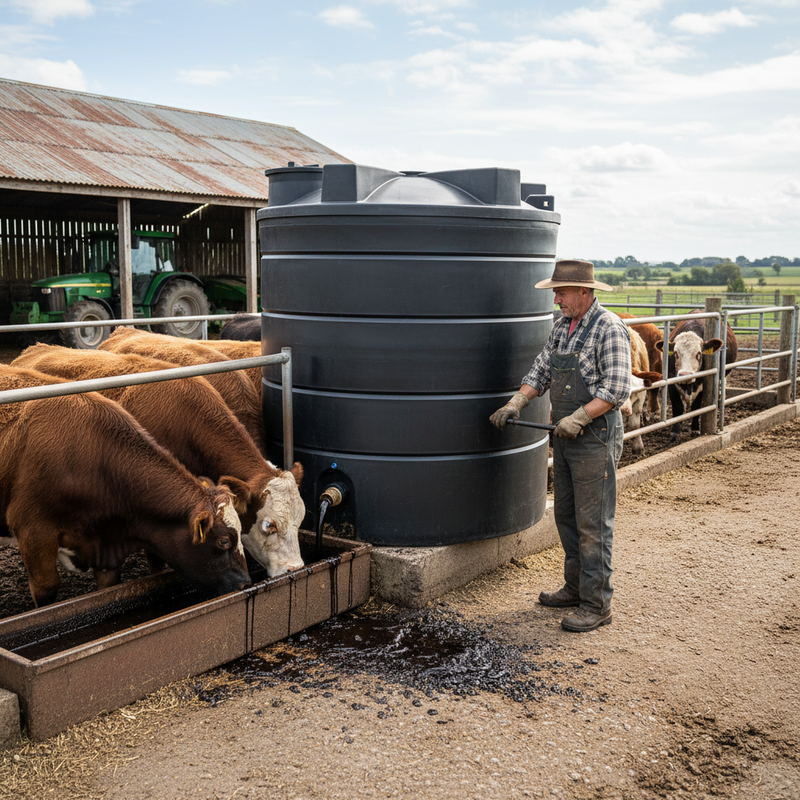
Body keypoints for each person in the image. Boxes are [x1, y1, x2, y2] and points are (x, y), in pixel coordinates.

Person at [490, 259, 631, 632]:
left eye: (562, 292)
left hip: (594, 438)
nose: (556, 299)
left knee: (593, 523)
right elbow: (541, 370)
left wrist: (581, 417)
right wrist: (515, 402)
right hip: (565, 436)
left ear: (584, 292)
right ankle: (574, 587)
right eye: (555, 292)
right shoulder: (561, 328)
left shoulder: (609, 328)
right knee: (566, 516)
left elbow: (617, 388)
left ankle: (597, 603)